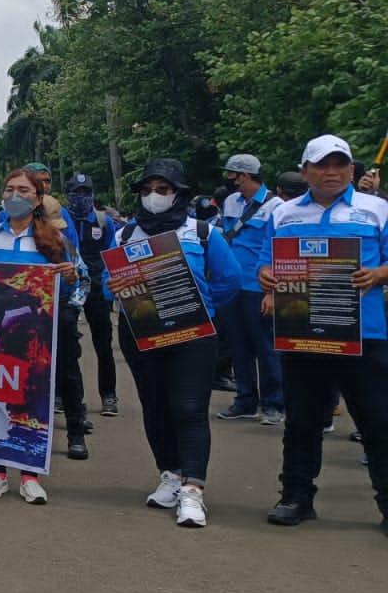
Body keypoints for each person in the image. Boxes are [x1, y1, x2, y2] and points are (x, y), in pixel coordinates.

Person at [257, 135, 388, 533]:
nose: (330, 173)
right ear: (305, 171)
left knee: (378, 420)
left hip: (365, 332)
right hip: (302, 332)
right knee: (302, 420)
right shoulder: (283, 214)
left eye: (339, 164)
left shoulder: (377, 209)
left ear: (352, 170)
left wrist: (379, 274)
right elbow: (266, 263)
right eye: (321, 165)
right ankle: (296, 496)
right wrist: (265, 277)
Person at [110, 159, 241, 527]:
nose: (154, 196)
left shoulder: (202, 232)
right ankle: (169, 473)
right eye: (148, 189)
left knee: (189, 408)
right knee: (154, 405)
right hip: (141, 332)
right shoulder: (124, 235)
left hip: (192, 334)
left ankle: (193, 490)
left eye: (163, 189)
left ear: (178, 194)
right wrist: (115, 288)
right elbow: (111, 278)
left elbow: (231, 278)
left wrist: (201, 307)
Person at [0, 167, 89, 503]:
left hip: (36, 335)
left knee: (33, 399)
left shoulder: (54, 237)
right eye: (9, 189)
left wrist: (69, 275)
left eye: (23, 190)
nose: (14, 196)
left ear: (38, 198)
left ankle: (30, 473)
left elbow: (73, 283)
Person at [216, 153, 285, 425]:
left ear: (243, 176)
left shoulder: (276, 206)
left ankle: (273, 403)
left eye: (232, 175)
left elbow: (277, 251)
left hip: (258, 286)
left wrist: (272, 292)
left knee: (266, 346)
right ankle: (245, 401)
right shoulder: (230, 202)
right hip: (231, 285)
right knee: (238, 345)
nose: (230, 181)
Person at [66, 173, 119, 418]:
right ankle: (62, 396)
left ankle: (108, 395)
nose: (81, 197)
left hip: (97, 287)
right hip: (70, 285)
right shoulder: (61, 221)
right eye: (76, 192)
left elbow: (112, 255)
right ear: (68, 194)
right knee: (65, 344)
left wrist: (108, 290)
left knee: (103, 343)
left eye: (85, 192)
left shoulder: (104, 222)